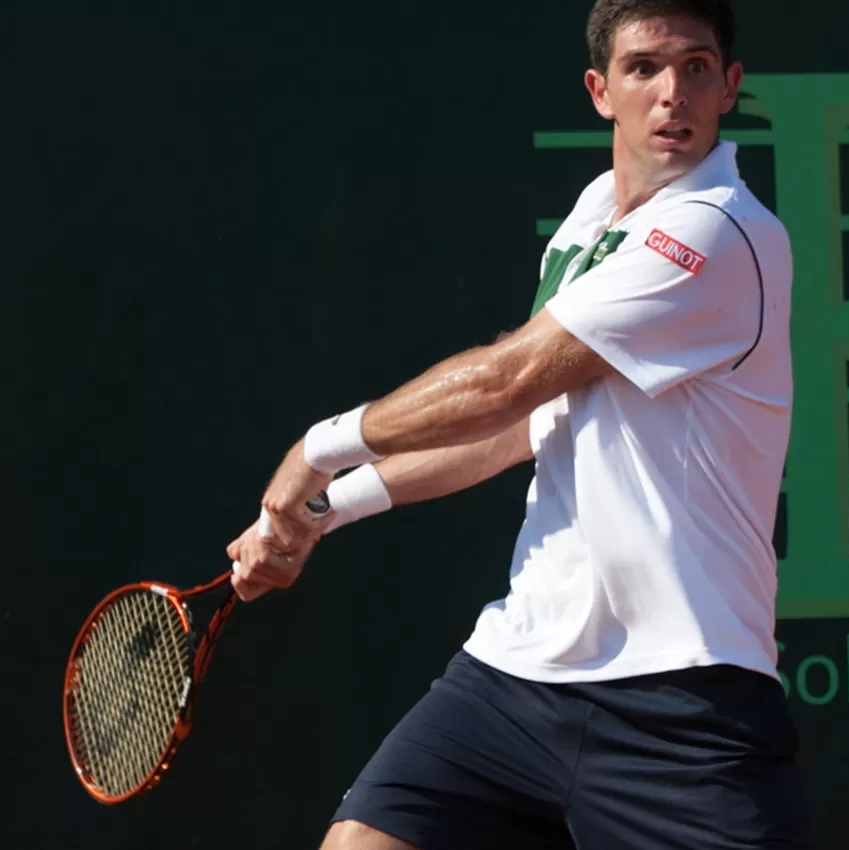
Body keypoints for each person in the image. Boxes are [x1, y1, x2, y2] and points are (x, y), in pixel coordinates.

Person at [225, 1, 810, 847]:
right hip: (518, 674)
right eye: (644, 68)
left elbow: (507, 382)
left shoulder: (719, 233)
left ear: (730, 87)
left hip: (684, 695)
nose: (672, 92)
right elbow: (526, 425)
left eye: (696, 67)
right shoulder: (592, 217)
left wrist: (316, 453)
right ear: (600, 90)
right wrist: (327, 511)